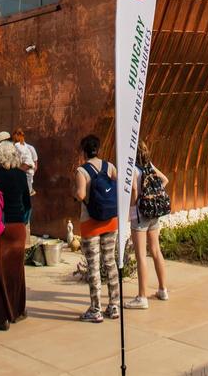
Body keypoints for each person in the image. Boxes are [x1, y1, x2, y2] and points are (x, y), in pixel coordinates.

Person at [0, 140, 31, 330]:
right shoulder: (20, 175)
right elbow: (27, 203)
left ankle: (0, 316)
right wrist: (22, 221)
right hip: (17, 227)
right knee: (15, 270)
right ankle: (17, 310)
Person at [73, 134, 120, 323]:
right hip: (110, 220)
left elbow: (81, 194)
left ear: (84, 152)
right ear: (98, 149)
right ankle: (114, 305)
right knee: (110, 262)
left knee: (93, 265)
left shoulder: (81, 171)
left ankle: (96, 309)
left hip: (91, 223)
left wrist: (76, 195)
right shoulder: (110, 167)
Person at [124, 141, 169, 309]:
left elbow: (134, 190)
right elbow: (165, 180)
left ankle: (142, 297)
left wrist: (132, 207)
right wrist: (154, 196)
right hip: (154, 214)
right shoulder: (149, 165)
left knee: (141, 255)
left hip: (140, 216)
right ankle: (163, 289)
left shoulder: (133, 169)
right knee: (156, 250)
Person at [12, 129, 37, 195]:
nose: (14, 140)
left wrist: (22, 170)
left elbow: (34, 165)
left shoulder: (30, 148)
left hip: (27, 177)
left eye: (16, 137)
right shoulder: (15, 147)